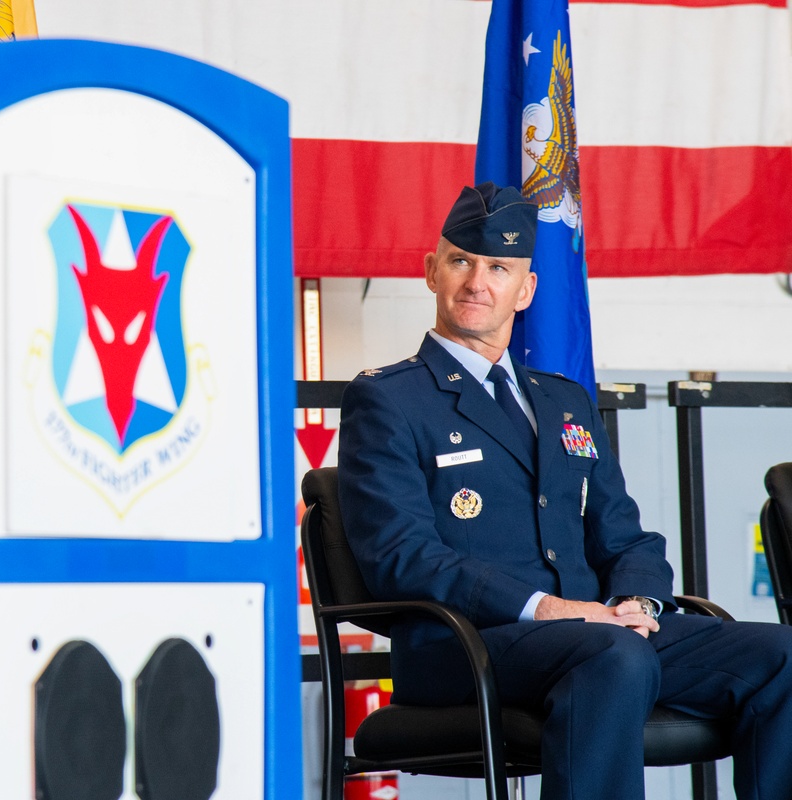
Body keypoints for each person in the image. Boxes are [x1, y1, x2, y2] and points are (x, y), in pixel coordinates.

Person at [336, 182, 792, 799]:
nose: (478, 282)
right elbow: (401, 558)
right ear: (430, 272)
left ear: (525, 290)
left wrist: (640, 604)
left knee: (780, 654)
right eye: (461, 261)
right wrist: (550, 609)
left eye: (499, 267)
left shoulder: (563, 401)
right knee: (613, 657)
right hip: (464, 645)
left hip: (597, 632)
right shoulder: (388, 399)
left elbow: (625, 534)